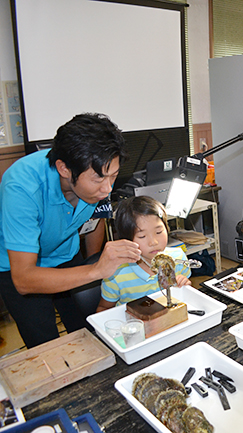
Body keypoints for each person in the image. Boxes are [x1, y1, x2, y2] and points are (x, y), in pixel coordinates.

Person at [0, 113, 142, 348]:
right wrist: (96, 270)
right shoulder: (22, 187)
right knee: (46, 345)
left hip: (65, 253)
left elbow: (96, 221)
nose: (107, 189)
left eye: (113, 176)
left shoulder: (98, 184)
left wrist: (92, 262)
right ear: (64, 169)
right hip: (19, 267)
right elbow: (24, 279)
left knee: (90, 330)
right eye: (98, 179)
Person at [97, 196, 192, 311]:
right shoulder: (116, 273)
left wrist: (185, 286)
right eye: (142, 236)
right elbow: (103, 308)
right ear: (126, 240)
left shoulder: (178, 257)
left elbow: (188, 298)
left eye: (158, 232)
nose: (153, 242)